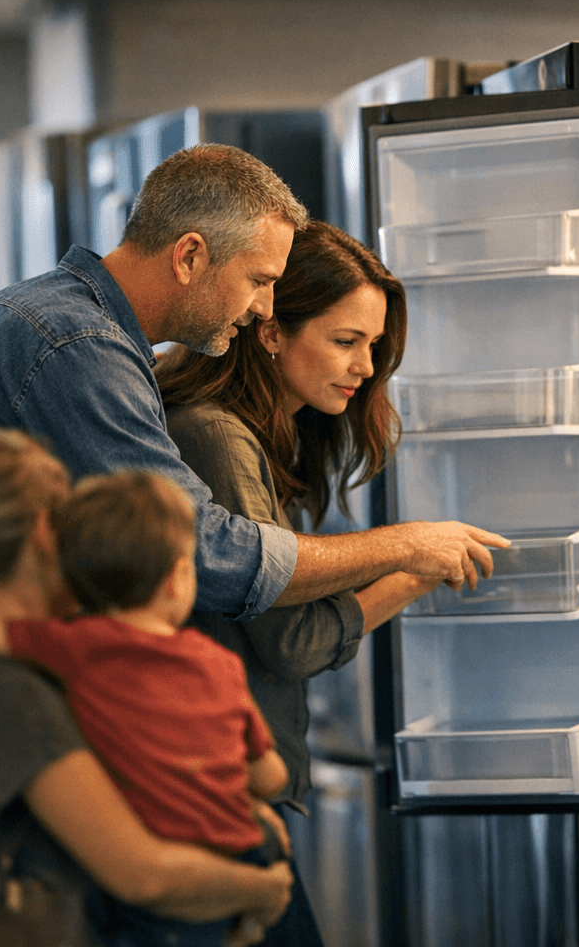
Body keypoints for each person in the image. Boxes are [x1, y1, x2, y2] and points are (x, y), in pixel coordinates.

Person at [0, 143, 509, 787]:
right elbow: (205, 553)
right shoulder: (80, 349)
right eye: (260, 280)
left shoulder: (57, 320)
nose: (265, 306)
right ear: (190, 257)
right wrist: (406, 548)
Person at [0, 428, 293, 946]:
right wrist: (261, 887)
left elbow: (116, 790)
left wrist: (236, 807)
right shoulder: (5, 690)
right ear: (44, 535)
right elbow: (143, 872)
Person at [153, 221, 436, 947]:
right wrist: (411, 569)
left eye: (372, 346)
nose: (366, 367)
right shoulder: (216, 436)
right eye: (345, 341)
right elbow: (290, 640)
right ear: (271, 332)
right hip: (210, 796)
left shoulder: (263, 437)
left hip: (227, 791)